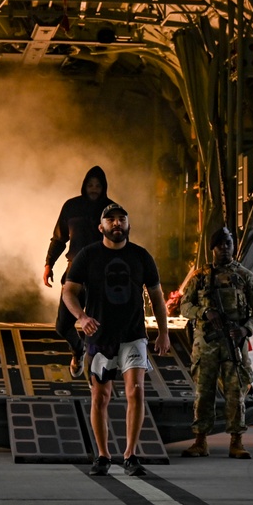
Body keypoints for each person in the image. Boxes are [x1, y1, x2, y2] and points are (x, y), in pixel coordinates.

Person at [62, 203, 171, 477]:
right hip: (100, 337)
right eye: (110, 219)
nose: (116, 223)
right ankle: (102, 455)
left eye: (122, 218)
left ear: (129, 225)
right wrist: (82, 317)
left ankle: (130, 455)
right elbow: (68, 292)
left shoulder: (141, 257)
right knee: (101, 396)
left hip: (134, 336)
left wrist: (163, 332)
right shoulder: (87, 256)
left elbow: (157, 296)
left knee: (136, 391)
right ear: (101, 227)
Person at [179, 227, 253, 460]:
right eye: (219, 244)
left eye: (228, 243)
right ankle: (200, 441)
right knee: (203, 392)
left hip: (234, 344)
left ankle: (236, 441)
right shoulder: (199, 276)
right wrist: (204, 312)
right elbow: (184, 306)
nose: (224, 248)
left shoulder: (244, 276)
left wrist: (246, 328)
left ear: (234, 246)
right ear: (212, 248)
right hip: (206, 344)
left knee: (235, 394)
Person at [43, 166, 114, 378]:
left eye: (98, 186)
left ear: (103, 188)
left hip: (101, 276)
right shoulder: (71, 207)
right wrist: (48, 264)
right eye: (90, 185)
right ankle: (77, 350)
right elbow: (58, 239)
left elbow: (121, 242)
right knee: (62, 325)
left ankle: (99, 370)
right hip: (74, 271)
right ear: (84, 185)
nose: (94, 189)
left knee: (100, 327)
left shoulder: (111, 210)